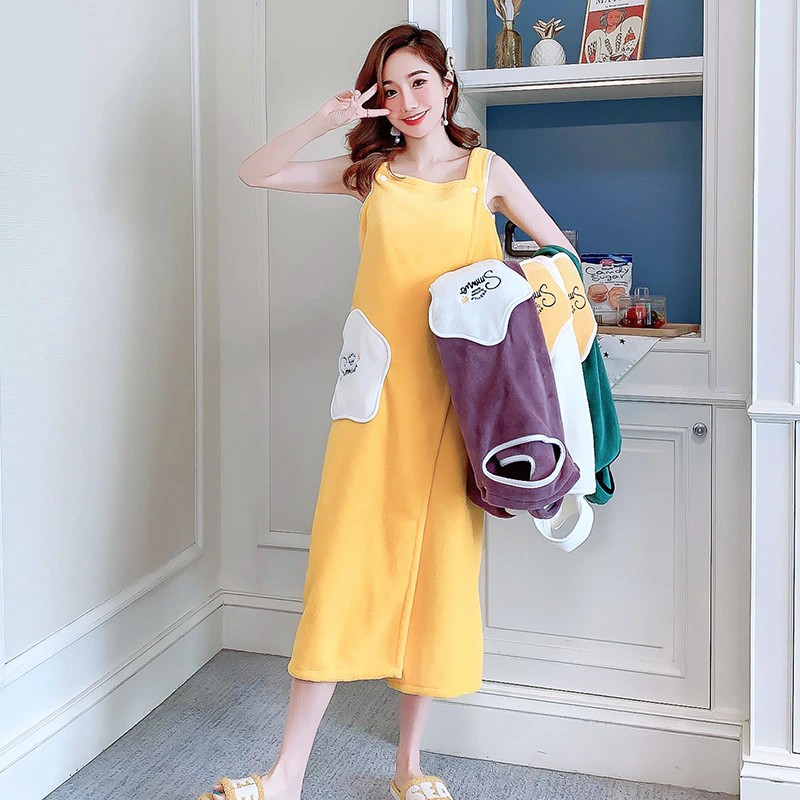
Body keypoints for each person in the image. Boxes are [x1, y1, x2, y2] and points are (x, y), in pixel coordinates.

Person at [199, 21, 577, 800]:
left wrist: (497, 289)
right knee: (342, 571)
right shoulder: (370, 175)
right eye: (391, 88)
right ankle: (285, 776)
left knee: (437, 575)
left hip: (460, 412)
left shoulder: (486, 173)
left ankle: (408, 768)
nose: (407, 101)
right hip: (374, 405)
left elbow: (560, 261)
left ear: (447, 84)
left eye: (419, 82)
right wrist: (326, 118)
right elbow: (255, 173)